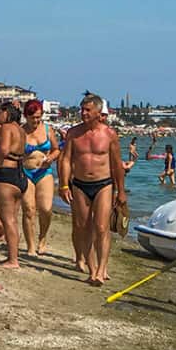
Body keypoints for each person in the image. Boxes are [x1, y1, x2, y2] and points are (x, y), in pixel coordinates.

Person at [58, 93, 127, 286]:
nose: (83, 113)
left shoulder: (109, 134)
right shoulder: (73, 133)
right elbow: (65, 160)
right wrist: (63, 184)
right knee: (83, 227)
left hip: (104, 184)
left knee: (102, 227)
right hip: (80, 184)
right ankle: (91, 269)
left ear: (98, 112)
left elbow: (116, 165)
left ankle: (101, 269)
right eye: (82, 109)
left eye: (88, 110)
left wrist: (121, 191)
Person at [0, 102, 28, 270]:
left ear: (7, 113)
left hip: (6, 175)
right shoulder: (21, 130)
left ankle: (13, 260)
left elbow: (3, 151)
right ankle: (13, 256)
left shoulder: (6, 128)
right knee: (13, 220)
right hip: (19, 175)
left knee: (7, 220)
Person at [20, 99, 60, 256]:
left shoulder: (48, 130)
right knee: (29, 209)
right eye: (32, 118)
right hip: (26, 171)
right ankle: (30, 246)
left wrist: (51, 158)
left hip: (44, 172)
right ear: (26, 116)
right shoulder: (21, 131)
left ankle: (42, 238)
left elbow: (57, 149)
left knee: (46, 208)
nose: (36, 121)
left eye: (38, 117)